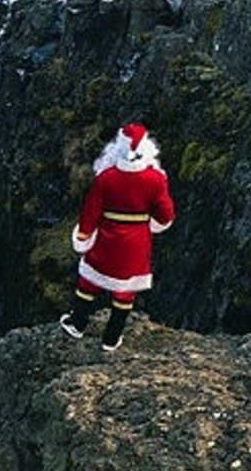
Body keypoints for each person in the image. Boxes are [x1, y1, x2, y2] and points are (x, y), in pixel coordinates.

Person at [59, 122, 176, 352]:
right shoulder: (155, 179)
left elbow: (91, 211)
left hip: (107, 237)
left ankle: (78, 323)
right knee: (125, 288)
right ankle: (111, 338)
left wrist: (83, 236)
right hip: (136, 241)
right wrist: (153, 223)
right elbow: (166, 213)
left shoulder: (106, 178)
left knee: (90, 279)